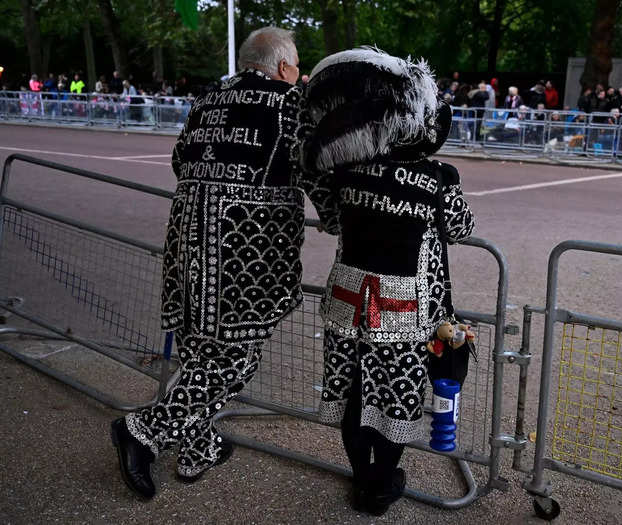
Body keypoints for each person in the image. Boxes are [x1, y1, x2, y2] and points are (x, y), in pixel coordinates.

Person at [110, 26, 303, 499]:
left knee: (200, 350)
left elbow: (181, 160)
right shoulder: (289, 103)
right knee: (235, 358)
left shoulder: (210, 96)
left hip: (188, 236)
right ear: (282, 67)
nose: (298, 73)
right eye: (297, 64)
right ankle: (144, 430)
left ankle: (200, 446)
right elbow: (313, 168)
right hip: (244, 248)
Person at [298, 48, 475, 516]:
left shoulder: (350, 170)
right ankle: (381, 483)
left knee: (353, 391)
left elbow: (334, 219)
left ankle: (362, 478)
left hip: (346, 301)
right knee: (395, 395)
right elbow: (461, 226)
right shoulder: (439, 177)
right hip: (402, 308)